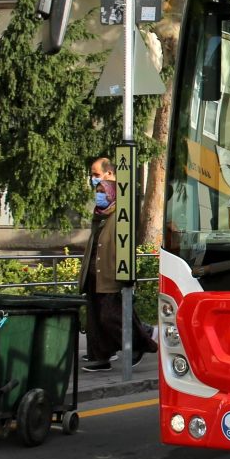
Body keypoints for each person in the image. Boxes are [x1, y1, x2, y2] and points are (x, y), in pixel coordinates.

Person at [82, 155, 157, 372]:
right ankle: (101, 356)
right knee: (96, 319)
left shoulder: (121, 212)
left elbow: (122, 244)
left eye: (97, 177)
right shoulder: (101, 215)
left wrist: (126, 274)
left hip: (111, 273)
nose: (98, 193)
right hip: (95, 273)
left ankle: (139, 342)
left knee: (110, 316)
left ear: (110, 175)